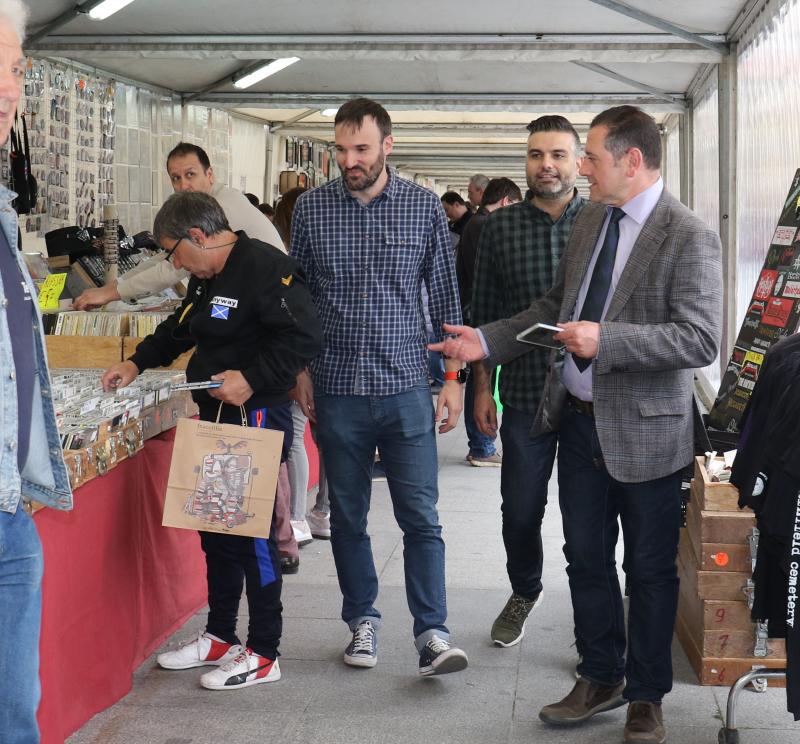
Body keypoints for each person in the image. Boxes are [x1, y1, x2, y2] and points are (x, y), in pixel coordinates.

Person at [432, 105, 722, 744]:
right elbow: (550, 308)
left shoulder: (687, 234)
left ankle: (647, 695)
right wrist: (486, 342)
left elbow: (700, 338)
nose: (579, 168)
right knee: (584, 558)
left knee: (647, 570)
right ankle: (599, 675)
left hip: (648, 432)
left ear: (632, 161)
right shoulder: (593, 219)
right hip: (577, 423)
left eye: (589, 157)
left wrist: (607, 340)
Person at [101, 192, 322, 690]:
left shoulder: (266, 268)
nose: (174, 264)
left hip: (256, 414)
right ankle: (221, 634)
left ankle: (265, 651)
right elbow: (181, 328)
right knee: (216, 531)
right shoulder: (208, 279)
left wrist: (251, 375)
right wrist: (135, 361)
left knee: (254, 536)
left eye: (175, 254)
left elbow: (305, 337)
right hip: (214, 415)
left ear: (198, 236)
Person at [290, 97, 468, 677]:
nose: (349, 160)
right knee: (348, 515)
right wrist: (299, 371)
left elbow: (444, 297)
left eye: (361, 149)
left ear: (387, 146)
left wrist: (453, 380)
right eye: (340, 150)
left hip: (406, 387)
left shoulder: (423, 209)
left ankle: (433, 633)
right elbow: (299, 299)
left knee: (421, 517)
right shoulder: (313, 210)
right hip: (337, 389)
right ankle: (361, 621)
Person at [471, 118, 586, 649]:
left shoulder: (602, 221)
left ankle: (596, 615)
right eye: (537, 154)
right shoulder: (498, 228)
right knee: (519, 507)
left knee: (590, 514)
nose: (547, 165)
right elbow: (488, 314)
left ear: (579, 161)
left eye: (558, 154)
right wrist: (480, 388)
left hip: (591, 394)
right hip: (522, 390)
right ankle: (525, 589)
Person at [0, 2, 73, 740]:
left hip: (11, 510)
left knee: (17, 712)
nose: (8, 88)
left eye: (14, 68)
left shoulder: (1, 211)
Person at [73, 142, 285, 310]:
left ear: (209, 174)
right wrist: (113, 286)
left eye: (190, 174)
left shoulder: (220, 208)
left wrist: (111, 293)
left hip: (274, 307)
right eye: (176, 178)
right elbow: (169, 256)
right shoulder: (201, 208)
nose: (183, 185)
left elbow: (173, 267)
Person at [455, 176, 522, 468]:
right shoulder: (486, 226)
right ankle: (481, 445)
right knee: (482, 378)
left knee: (481, 377)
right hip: (480, 313)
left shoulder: (476, 223)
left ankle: (481, 444)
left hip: (474, 310)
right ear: (507, 202)